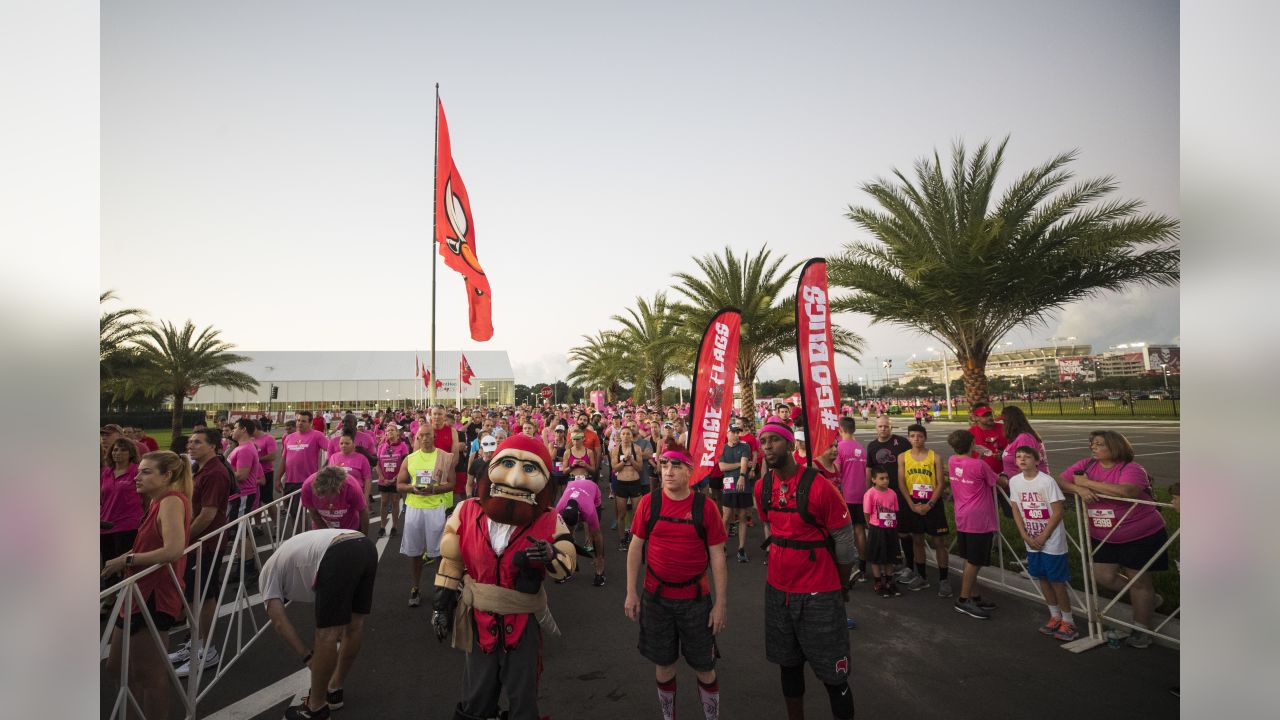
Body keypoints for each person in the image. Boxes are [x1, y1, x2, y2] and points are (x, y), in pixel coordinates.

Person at [432, 434, 576, 720]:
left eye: (529, 469)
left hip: (522, 622)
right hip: (479, 619)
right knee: (476, 695)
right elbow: (451, 561)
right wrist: (442, 604)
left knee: (523, 698)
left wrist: (551, 556)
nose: (513, 478)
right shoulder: (467, 510)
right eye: (507, 463)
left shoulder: (548, 518)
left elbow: (566, 564)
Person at [753, 417, 857, 720]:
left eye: (774, 440)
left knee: (834, 676)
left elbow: (844, 536)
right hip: (778, 590)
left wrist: (842, 582)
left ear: (790, 444)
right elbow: (769, 522)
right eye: (763, 441)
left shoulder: (819, 486)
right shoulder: (762, 487)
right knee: (789, 667)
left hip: (819, 593)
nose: (768, 446)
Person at [624, 444, 727, 720]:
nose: (668, 471)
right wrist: (630, 593)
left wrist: (720, 605)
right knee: (664, 664)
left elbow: (717, 556)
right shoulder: (649, 502)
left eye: (676, 465)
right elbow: (635, 548)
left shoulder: (705, 507)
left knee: (704, 667)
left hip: (695, 600)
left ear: (690, 472)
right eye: (665, 464)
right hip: (655, 599)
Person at [102, 451, 192, 720]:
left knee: (149, 675)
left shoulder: (171, 501)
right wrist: (125, 558)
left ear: (167, 476)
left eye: (146, 472)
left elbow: (174, 549)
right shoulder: (157, 501)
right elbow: (151, 543)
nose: (137, 476)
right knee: (118, 667)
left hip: (154, 595)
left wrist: (127, 559)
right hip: (138, 591)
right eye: (139, 471)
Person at [1058, 430, 1169, 648]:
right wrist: (1077, 488)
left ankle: (1141, 628)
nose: (1093, 447)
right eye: (1092, 443)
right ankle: (1150, 600)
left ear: (1114, 446)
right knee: (1103, 576)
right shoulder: (1087, 465)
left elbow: (1127, 491)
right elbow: (1060, 480)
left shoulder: (1132, 468)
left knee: (1139, 580)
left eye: (1099, 444)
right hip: (1103, 533)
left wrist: (1089, 484)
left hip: (1140, 533)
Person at [264, 528, 379, 719]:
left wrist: (307, 656)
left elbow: (279, 623)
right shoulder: (286, 560)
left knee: (327, 634)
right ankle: (335, 690)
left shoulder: (267, 576)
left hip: (338, 552)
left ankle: (316, 707)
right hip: (365, 545)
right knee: (355, 625)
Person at [166, 428, 233, 676]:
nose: (190, 445)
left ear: (213, 446)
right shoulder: (199, 469)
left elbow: (208, 514)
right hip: (198, 543)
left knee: (203, 596)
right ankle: (195, 643)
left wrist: (183, 538)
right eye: (190, 441)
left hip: (206, 543)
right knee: (194, 595)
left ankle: (208, 649)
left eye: (197, 442)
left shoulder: (215, 472)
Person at [1008, 445, 1076, 641]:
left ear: (1037, 461)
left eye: (1027, 457)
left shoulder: (1046, 482)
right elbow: (1016, 510)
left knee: (1056, 580)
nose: (1022, 460)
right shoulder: (1014, 481)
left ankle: (1068, 621)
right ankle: (1054, 615)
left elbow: (1057, 512)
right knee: (1041, 578)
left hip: (1051, 541)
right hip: (1031, 539)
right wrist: (1024, 535)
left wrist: (1044, 536)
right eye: (1018, 457)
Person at [395, 425, 457, 607]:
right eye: (420, 435)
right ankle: (415, 588)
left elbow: (452, 484)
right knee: (414, 552)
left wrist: (434, 489)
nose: (424, 438)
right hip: (414, 508)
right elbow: (399, 485)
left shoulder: (445, 457)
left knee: (439, 552)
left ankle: (440, 588)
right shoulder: (410, 459)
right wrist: (411, 488)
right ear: (417, 438)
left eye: (427, 435)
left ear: (434, 436)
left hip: (436, 508)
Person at [946, 429, 1005, 619]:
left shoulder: (952, 460)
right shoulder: (979, 465)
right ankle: (963, 600)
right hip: (979, 519)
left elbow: (968, 467)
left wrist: (976, 451)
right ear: (972, 443)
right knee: (975, 561)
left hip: (963, 516)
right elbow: (998, 482)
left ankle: (974, 595)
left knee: (969, 558)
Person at [896, 423, 950, 595]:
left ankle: (944, 579)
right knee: (917, 541)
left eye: (919, 436)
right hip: (914, 503)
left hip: (931, 503)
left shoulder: (935, 457)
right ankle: (922, 576)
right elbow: (901, 483)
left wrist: (930, 505)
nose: (916, 439)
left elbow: (941, 484)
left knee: (939, 542)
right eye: (912, 436)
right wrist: (911, 505)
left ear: (925, 438)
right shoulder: (903, 457)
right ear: (909, 438)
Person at [865, 416, 914, 581]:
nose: (883, 429)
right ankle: (894, 562)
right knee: (888, 530)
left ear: (890, 427)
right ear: (876, 428)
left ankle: (910, 565)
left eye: (886, 426)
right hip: (880, 496)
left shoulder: (901, 443)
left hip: (899, 493)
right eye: (880, 426)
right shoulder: (872, 446)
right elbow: (869, 470)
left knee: (904, 531)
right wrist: (868, 491)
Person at [100, 438, 142, 584]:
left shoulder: (136, 471)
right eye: (115, 449)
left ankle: (127, 601)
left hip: (127, 525)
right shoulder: (106, 472)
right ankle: (111, 599)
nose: (118, 453)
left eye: (123, 450)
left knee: (126, 566)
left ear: (130, 453)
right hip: (106, 524)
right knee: (108, 564)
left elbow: (146, 496)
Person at [834, 417, 869, 583]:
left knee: (845, 534)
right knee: (860, 531)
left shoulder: (839, 448)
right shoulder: (861, 449)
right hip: (862, 495)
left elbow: (836, 472)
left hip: (845, 496)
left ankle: (850, 567)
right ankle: (863, 568)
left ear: (840, 429)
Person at [556, 475, 605, 585]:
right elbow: (558, 535)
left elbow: (598, 536)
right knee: (564, 535)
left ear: (579, 514)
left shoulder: (589, 510)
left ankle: (600, 571)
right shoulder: (559, 508)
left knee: (595, 534)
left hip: (591, 488)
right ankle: (565, 567)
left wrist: (599, 558)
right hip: (572, 485)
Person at [863, 466, 901, 598]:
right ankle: (878, 582)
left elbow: (895, 511)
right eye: (881, 478)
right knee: (876, 557)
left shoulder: (893, 494)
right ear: (873, 479)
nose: (885, 481)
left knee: (890, 557)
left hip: (890, 529)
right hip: (876, 529)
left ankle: (889, 581)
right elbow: (867, 513)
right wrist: (872, 525)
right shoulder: (870, 494)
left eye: (887, 478)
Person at [718, 424, 753, 562]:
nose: (737, 434)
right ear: (727, 434)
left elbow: (745, 462)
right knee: (726, 517)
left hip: (742, 483)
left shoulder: (745, 446)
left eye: (738, 432)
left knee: (743, 515)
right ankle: (723, 547)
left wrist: (742, 476)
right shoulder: (723, 448)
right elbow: (722, 467)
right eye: (734, 432)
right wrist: (739, 465)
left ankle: (741, 548)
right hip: (728, 483)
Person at [611, 426, 648, 551]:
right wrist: (624, 460)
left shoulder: (636, 448)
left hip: (634, 483)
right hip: (621, 484)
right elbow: (615, 469)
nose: (626, 436)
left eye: (628, 434)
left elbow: (640, 468)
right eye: (623, 434)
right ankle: (622, 539)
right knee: (621, 514)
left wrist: (631, 459)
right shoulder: (616, 450)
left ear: (631, 436)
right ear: (620, 436)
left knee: (636, 513)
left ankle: (634, 539)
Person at [302, 466, 369, 533]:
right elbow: (313, 513)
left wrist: (364, 535)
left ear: (337, 490)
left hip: (349, 529)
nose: (326, 498)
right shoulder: (307, 487)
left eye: (327, 494)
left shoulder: (351, 487)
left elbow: (363, 511)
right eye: (322, 495)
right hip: (322, 528)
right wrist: (327, 534)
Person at [278, 411, 329, 497]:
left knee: (301, 509)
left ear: (310, 423)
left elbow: (332, 450)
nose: (300, 423)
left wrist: (324, 468)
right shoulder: (289, 437)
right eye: (298, 420)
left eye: (303, 421)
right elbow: (284, 459)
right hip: (289, 481)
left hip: (308, 480)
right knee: (289, 509)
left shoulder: (318, 435)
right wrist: (277, 478)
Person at [374, 423, 411, 537]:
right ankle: (382, 527)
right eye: (387, 431)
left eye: (392, 430)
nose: (389, 432)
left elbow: (406, 463)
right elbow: (377, 464)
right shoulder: (381, 446)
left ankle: (394, 526)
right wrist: (381, 477)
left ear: (397, 433)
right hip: (384, 479)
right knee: (384, 502)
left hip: (397, 479)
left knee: (395, 501)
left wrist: (397, 477)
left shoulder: (403, 446)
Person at [1000, 406, 1048, 479]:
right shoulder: (1017, 437)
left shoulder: (1024, 438)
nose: (1003, 425)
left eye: (1004, 422)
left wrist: (1019, 483)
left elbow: (1026, 466)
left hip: (1028, 486)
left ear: (1010, 423)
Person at [328, 431, 374, 498]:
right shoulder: (333, 457)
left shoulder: (362, 458)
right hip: (338, 495)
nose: (344, 445)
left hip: (356, 495)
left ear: (353, 444)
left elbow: (367, 479)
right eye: (341, 443)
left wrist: (366, 497)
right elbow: (330, 477)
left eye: (347, 443)